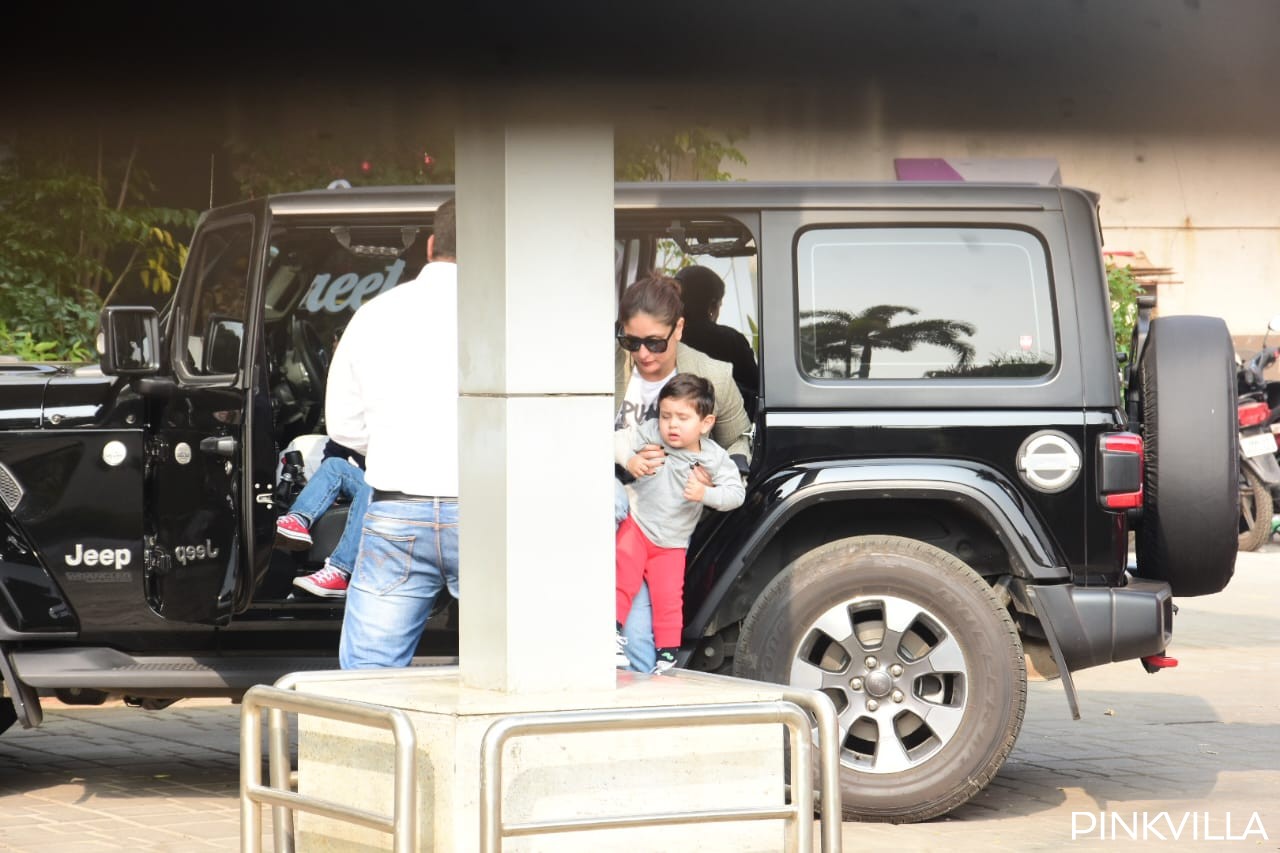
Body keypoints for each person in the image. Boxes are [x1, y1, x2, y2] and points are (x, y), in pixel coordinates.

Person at [325, 196, 459, 669]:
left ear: (429, 246)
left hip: (396, 512)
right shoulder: (515, 316)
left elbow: (343, 426)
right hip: (490, 516)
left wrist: (395, 443)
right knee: (518, 669)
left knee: (369, 679)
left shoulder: (373, 314)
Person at [613, 273, 753, 672]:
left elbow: (739, 439)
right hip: (610, 508)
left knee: (640, 635)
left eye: (655, 342)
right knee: (613, 499)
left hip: (663, 524)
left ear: (679, 328)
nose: (643, 354)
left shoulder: (714, 375)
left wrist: (716, 480)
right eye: (631, 341)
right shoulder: (605, 367)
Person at [616, 375, 745, 673]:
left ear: (706, 422)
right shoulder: (651, 434)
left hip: (672, 542)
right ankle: (614, 635)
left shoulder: (713, 458)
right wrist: (630, 459)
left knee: (669, 598)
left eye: (682, 418)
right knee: (624, 576)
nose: (672, 425)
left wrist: (706, 493)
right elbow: (618, 440)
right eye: (666, 416)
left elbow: (736, 493)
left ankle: (667, 656)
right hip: (638, 524)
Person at [274, 438, 370, 598]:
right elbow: (335, 448)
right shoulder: (359, 423)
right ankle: (297, 520)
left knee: (371, 485)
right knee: (334, 465)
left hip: (404, 489)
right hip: (372, 480)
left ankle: (339, 571)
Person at [675, 265, 759, 416]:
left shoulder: (664, 339)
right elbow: (756, 393)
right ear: (712, 306)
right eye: (720, 305)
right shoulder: (732, 341)